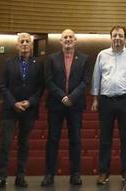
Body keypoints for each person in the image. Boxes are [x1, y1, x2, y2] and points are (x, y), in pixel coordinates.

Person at [91, 25, 126, 185]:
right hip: (106, 101)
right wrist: (95, 99)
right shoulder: (102, 55)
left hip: (125, 100)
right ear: (110, 37)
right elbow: (96, 77)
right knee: (105, 139)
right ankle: (103, 172)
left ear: (125, 38)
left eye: (120, 36)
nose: (117, 38)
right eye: (115, 35)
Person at [0, 33, 44, 189]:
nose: (24, 44)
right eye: (21, 41)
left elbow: (41, 87)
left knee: (24, 144)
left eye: (27, 41)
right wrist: (14, 103)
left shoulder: (38, 63)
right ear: (17, 45)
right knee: (5, 144)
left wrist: (30, 102)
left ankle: (20, 176)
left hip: (28, 110)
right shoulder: (8, 62)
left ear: (31, 44)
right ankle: (1, 177)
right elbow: (2, 86)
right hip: (10, 109)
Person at [42, 29, 90, 187]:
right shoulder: (51, 59)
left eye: (71, 37)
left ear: (75, 40)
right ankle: (49, 174)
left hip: (75, 105)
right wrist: (62, 96)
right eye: (65, 37)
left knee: (75, 140)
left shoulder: (84, 58)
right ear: (60, 41)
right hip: (56, 104)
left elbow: (85, 81)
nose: (68, 39)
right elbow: (48, 81)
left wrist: (72, 97)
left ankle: (75, 174)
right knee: (53, 140)